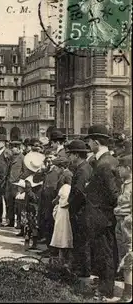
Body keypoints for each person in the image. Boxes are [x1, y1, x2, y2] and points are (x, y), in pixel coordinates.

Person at [84, 124, 121, 300]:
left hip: (103, 217)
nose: (88, 144)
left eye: (89, 141)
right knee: (101, 251)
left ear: (96, 142)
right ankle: (102, 284)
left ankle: (106, 290)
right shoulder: (103, 161)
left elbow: (114, 194)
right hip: (99, 216)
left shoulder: (105, 164)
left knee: (105, 253)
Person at [67, 139, 93, 278]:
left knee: (81, 240)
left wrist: (71, 206)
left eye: (70, 154)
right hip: (83, 210)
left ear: (76, 155)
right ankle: (82, 268)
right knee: (82, 240)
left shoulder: (82, 170)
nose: (69, 157)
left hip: (80, 211)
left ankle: (83, 271)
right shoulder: (85, 167)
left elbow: (79, 192)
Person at [114, 151, 132, 302]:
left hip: (128, 224)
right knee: (124, 256)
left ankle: (127, 293)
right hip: (121, 222)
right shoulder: (124, 185)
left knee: (129, 257)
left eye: (121, 167)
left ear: (129, 169)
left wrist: (127, 221)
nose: (119, 170)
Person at [50, 179, 73, 268]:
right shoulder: (70, 188)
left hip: (62, 212)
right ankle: (66, 260)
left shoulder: (64, 187)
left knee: (60, 235)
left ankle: (61, 258)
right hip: (66, 212)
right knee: (66, 236)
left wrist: (56, 202)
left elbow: (57, 199)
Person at [0, 134, 12, 223]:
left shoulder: (7, 152)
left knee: (7, 199)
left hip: (4, 180)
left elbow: (9, 166)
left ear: (4, 143)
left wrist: (6, 178)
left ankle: (9, 219)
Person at [5, 140, 24, 227]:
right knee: (9, 203)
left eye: (14, 147)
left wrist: (20, 180)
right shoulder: (11, 157)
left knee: (18, 205)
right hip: (9, 183)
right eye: (11, 147)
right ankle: (11, 221)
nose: (12, 149)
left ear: (18, 148)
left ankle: (19, 223)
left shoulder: (22, 158)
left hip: (17, 184)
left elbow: (24, 171)